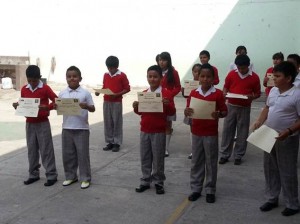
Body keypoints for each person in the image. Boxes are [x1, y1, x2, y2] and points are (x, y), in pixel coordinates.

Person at [252, 61, 300, 216]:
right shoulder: (273, 91)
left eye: (277, 76)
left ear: (288, 78)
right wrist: (260, 120)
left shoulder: (297, 94)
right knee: (270, 168)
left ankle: (292, 203)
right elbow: (267, 107)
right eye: (274, 75)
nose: (273, 78)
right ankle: (272, 198)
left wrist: (288, 130)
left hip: (287, 138)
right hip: (268, 134)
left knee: (287, 170)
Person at [184, 63, 227, 203]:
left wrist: (219, 114)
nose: (205, 79)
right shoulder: (194, 93)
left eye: (209, 76)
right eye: (202, 76)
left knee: (211, 162)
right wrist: (187, 111)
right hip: (196, 132)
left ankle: (210, 189)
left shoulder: (218, 94)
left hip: (210, 133)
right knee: (196, 162)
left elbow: (224, 111)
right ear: (198, 77)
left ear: (213, 78)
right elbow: (188, 110)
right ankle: (196, 188)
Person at [133, 65, 176, 195]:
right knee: (145, 156)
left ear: (161, 78)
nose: (152, 79)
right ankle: (145, 180)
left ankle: (158, 182)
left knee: (158, 158)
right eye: (150, 76)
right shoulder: (145, 94)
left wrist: (167, 104)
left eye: (155, 76)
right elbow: (141, 112)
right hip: (145, 130)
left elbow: (172, 112)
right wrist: (136, 107)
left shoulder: (166, 93)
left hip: (158, 131)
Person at [12, 65, 58, 186]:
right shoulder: (24, 89)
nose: (32, 83)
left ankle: (51, 175)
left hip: (42, 123)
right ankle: (33, 174)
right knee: (31, 150)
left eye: (34, 80)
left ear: (39, 78)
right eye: (30, 80)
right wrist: (17, 105)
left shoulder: (45, 88)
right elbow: (23, 103)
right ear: (27, 79)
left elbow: (57, 101)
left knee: (46, 149)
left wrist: (47, 107)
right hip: (30, 123)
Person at [56, 66, 95, 189]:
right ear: (66, 78)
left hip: (81, 128)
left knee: (82, 154)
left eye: (75, 76)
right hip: (67, 127)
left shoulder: (85, 93)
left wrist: (86, 106)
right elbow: (58, 106)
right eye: (69, 76)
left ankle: (85, 178)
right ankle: (70, 176)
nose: (72, 78)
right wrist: (55, 106)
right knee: (68, 154)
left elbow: (93, 109)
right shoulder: (62, 93)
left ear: (80, 78)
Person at [219, 54, 261, 165]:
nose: (241, 70)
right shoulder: (232, 74)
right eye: (239, 68)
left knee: (242, 132)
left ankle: (238, 155)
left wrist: (252, 97)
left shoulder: (255, 77)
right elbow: (226, 87)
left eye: (243, 68)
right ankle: (224, 154)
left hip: (245, 108)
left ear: (248, 66)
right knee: (227, 131)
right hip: (231, 106)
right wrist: (224, 94)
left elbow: (257, 93)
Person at [95, 56, 130, 152]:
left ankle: (117, 142)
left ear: (117, 66)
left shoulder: (122, 75)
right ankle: (110, 141)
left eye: (112, 68)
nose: (110, 70)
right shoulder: (106, 75)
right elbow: (104, 86)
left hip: (116, 102)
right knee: (108, 121)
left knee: (117, 121)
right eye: (109, 68)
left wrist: (117, 95)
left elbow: (127, 88)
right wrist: (99, 91)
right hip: (106, 101)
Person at [158, 52, 181, 157]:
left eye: (164, 60)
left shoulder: (174, 72)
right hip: (157, 102)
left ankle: (165, 149)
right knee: (158, 124)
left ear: (168, 61)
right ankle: (157, 146)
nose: (161, 62)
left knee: (168, 124)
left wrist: (170, 94)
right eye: (160, 60)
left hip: (168, 101)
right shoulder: (156, 71)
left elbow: (178, 87)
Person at [182, 63, 202, 159]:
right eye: (195, 71)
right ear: (192, 72)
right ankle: (193, 150)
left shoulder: (205, 84)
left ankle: (201, 149)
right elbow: (186, 96)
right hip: (191, 109)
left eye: (199, 72)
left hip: (202, 110)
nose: (197, 74)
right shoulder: (189, 84)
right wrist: (183, 91)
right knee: (192, 129)